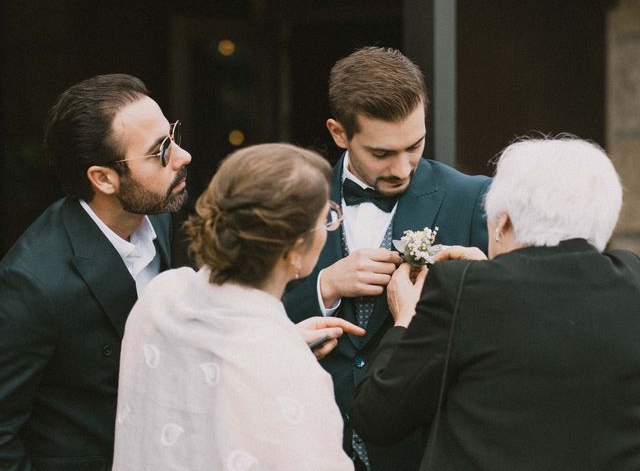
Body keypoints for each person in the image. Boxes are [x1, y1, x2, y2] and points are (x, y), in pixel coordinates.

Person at [351, 136, 640, 471]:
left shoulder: (462, 289)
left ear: (503, 222)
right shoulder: (632, 282)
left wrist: (406, 318)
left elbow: (378, 417)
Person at [283, 46, 491, 470]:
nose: (402, 168)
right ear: (339, 133)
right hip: (308, 443)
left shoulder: (472, 199)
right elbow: (242, 319)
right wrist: (324, 287)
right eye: (382, 154)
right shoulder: (289, 199)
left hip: (422, 449)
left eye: (414, 145)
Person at [113, 143, 361, 471]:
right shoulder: (294, 372)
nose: (329, 228)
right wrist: (282, 353)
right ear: (295, 249)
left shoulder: (160, 297)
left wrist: (284, 341)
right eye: (326, 219)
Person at [0, 74, 192, 470]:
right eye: (161, 151)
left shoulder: (157, 216)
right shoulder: (34, 283)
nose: (183, 156)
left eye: (171, 136)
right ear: (103, 178)